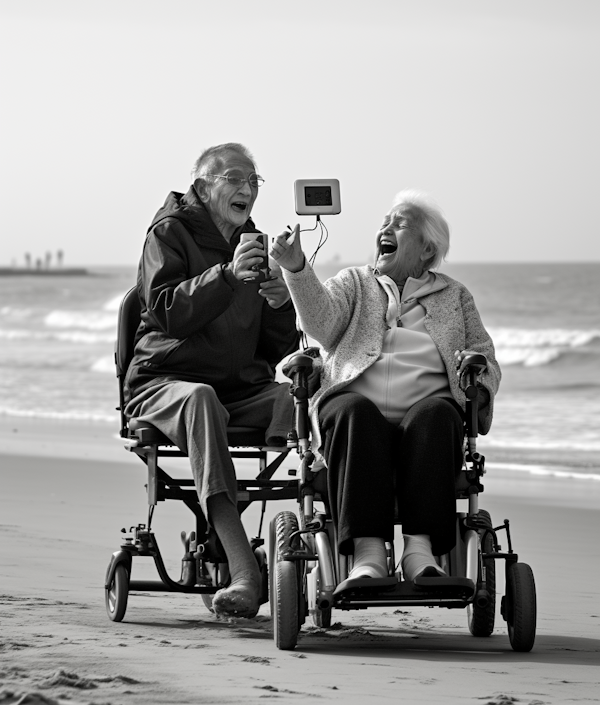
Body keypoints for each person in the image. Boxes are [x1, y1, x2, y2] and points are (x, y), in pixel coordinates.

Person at [270, 190, 501, 583]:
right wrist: (296, 268)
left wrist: (478, 377)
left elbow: (484, 356)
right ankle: (368, 555)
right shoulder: (354, 283)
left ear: (427, 250)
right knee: (354, 411)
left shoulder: (454, 295)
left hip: (426, 408)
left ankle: (419, 553)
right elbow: (321, 325)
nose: (385, 228)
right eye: (385, 222)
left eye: (400, 223)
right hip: (353, 405)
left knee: (437, 414)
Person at [124, 143, 299, 617]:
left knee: (303, 398)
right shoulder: (169, 233)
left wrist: (284, 304)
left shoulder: (256, 242)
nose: (248, 189)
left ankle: (328, 556)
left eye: (254, 181)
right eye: (236, 179)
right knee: (201, 400)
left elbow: (275, 350)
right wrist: (224, 275)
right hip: (165, 382)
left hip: (238, 389)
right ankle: (245, 571)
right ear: (203, 186)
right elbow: (164, 311)